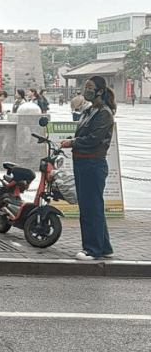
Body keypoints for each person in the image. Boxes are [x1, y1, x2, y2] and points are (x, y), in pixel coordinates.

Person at [59, 75, 116, 261]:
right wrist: (72, 140)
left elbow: (93, 139)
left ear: (100, 91)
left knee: (92, 208)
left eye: (90, 87)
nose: (86, 90)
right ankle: (103, 246)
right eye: (85, 87)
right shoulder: (90, 110)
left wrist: (73, 143)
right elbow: (84, 134)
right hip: (82, 162)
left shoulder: (104, 113)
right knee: (90, 206)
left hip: (93, 163)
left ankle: (92, 249)